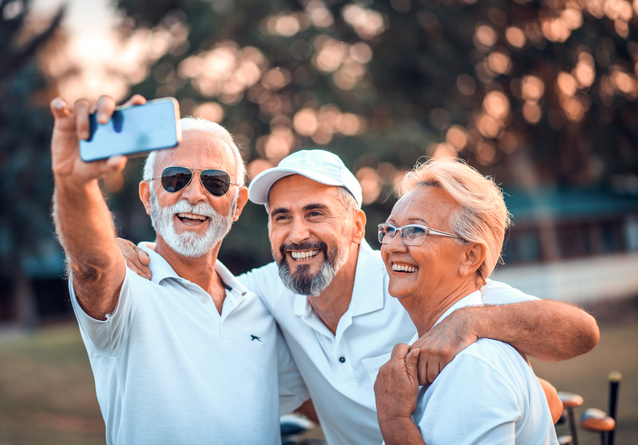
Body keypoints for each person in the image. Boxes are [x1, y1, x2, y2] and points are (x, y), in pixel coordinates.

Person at [122, 151, 599, 445]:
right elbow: (199, 289)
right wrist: (119, 250)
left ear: (355, 226)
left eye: (315, 213)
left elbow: (582, 333)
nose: (297, 233)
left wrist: (472, 325)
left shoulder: (410, 277)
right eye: (281, 217)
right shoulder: (266, 289)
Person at [50, 94, 307, 445]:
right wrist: (75, 185)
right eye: (175, 179)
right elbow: (91, 265)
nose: (195, 194)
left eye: (215, 182)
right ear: (147, 196)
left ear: (237, 204)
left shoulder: (261, 305)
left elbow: (320, 394)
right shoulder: (130, 290)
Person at [374, 158, 559, 444]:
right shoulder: (439, 347)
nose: (393, 246)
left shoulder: (473, 366)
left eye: (416, 231)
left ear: (470, 257)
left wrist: (394, 420)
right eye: (390, 229)